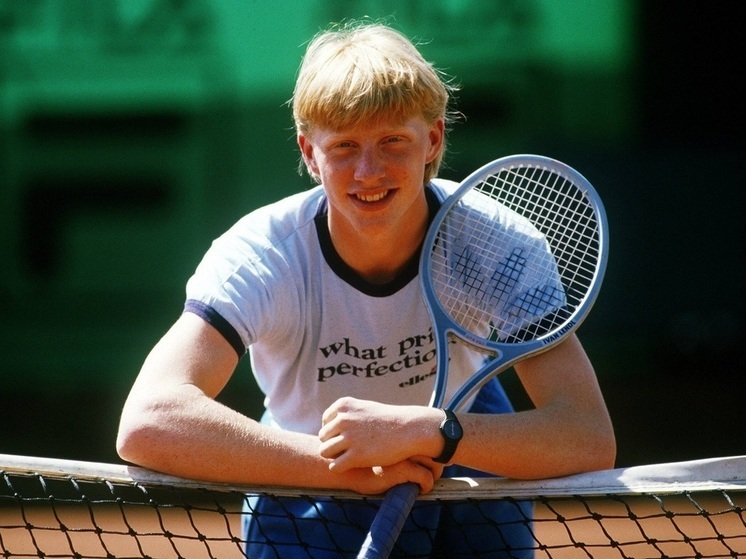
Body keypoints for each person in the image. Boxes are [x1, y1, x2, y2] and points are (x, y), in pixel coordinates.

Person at [116, 20, 616, 558]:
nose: (368, 171)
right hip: (306, 457)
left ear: (433, 139)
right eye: (344, 147)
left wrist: (432, 430)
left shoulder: (497, 242)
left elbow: (586, 434)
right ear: (310, 154)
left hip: (462, 434)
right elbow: (149, 420)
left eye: (393, 141)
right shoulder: (261, 257)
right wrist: (344, 468)